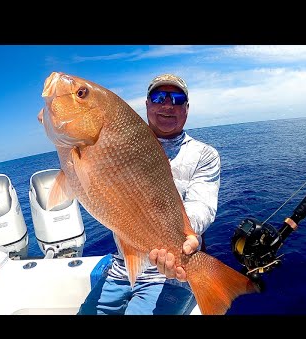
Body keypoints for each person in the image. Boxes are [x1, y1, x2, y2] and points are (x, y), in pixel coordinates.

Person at [77, 74, 221, 315]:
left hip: (172, 272)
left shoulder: (204, 155)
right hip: (122, 267)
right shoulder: (120, 144)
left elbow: (201, 205)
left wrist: (184, 241)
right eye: (158, 97)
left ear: (186, 108)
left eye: (176, 99)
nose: (167, 105)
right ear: (147, 105)